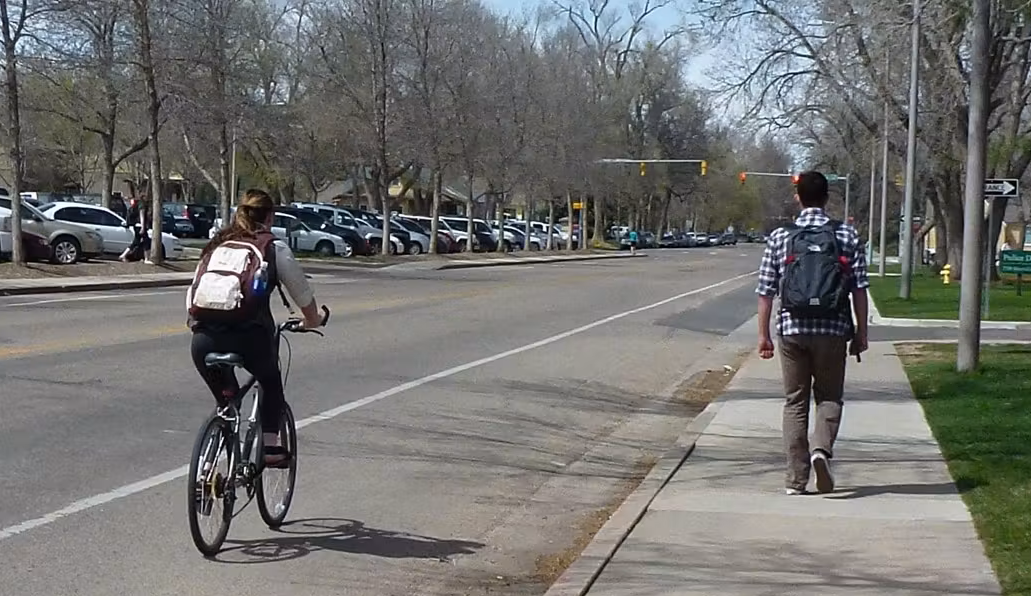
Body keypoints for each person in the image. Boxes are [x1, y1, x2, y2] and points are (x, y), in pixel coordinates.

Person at [187, 189, 327, 466]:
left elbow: (194, 292)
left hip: (203, 339)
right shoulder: (273, 248)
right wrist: (313, 320)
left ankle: (212, 461)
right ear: (270, 217)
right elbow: (303, 296)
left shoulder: (216, 246)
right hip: (249, 339)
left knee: (226, 400)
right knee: (270, 381)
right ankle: (271, 448)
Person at [755, 170, 869, 495]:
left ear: (798, 198)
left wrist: (763, 336)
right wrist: (861, 332)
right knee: (829, 397)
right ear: (827, 198)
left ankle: (796, 480)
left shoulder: (780, 237)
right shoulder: (846, 235)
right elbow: (859, 289)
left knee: (795, 402)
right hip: (833, 329)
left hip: (792, 330)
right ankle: (821, 450)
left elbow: (765, 292)